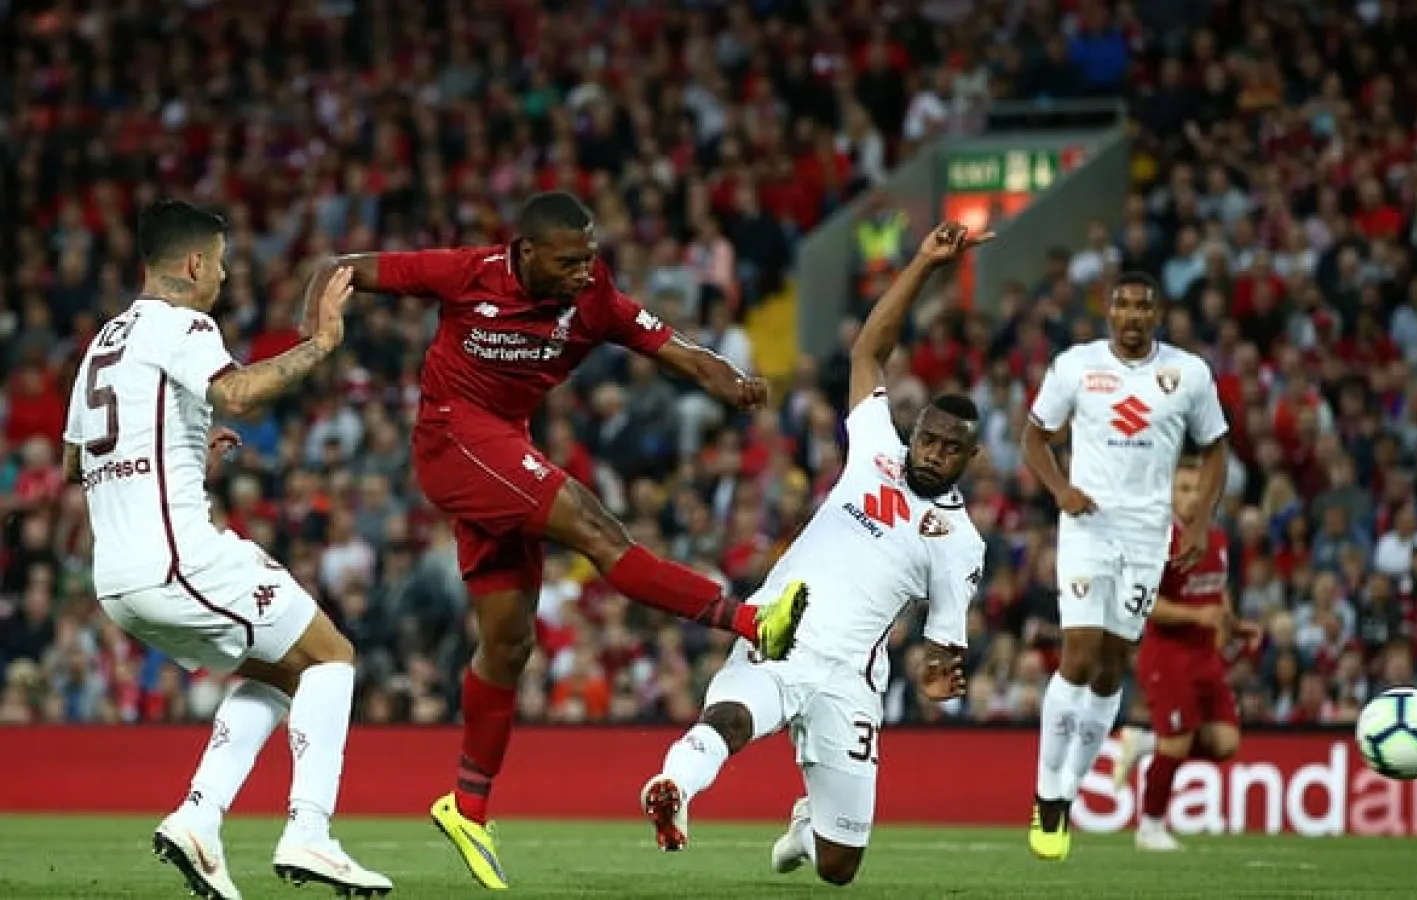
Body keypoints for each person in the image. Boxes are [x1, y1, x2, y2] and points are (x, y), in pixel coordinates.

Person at [302, 191, 808, 890]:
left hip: (504, 446)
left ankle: (468, 806)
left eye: (590, 257)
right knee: (599, 530)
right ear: (526, 252)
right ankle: (751, 620)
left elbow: (673, 347)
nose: (584, 272)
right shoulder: (466, 272)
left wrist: (729, 378)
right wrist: (315, 337)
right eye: (569, 261)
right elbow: (345, 267)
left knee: (509, 642)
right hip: (452, 435)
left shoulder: (593, 297)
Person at [637, 222, 989, 886]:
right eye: (929, 439)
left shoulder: (960, 542)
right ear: (912, 433)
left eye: (950, 448)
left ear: (972, 458)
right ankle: (675, 789)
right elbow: (867, 353)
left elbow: (945, 641)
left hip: (851, 680)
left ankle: (806, 825)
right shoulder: (876, 451)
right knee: (731, 718)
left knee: (839, 868)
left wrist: (940, 674)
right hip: (779, 630)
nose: (934, 453)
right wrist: (923, 263)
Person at [62, 199, 391, 900]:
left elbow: (73, 463)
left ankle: (199, 819)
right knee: (331, 656)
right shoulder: (182, 324)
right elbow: (240, 392)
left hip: (117, 580)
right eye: (221, 260)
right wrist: (323, 342)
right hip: (179, 557)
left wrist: (178, 438)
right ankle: (311, 830)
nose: (226, 272)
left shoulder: (103, 344)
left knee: (277, 671)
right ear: (193, 263)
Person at [1021, 270, 1230, 861]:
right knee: (1080, 654)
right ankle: (1046, 793)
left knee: (1112, 672)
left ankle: (1070, 788)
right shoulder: (1075, 367)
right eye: (1124, 305)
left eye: (1144, 306)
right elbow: (1034, 437)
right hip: (1087, 527)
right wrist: (1060, 488)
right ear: (1109, 311)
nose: (1133, 315)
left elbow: (1216, 447)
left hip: (1146, 538)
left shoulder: (1188, 374)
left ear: (1156, 314)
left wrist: (1199, 520)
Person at [1112, 456, 1262, 850]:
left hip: (1205, 658)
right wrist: (1200, 615)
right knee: (1177, 742)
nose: (1192, 497)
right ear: (1169, 495)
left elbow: (1217, 592)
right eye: (1183, 489)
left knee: (1225, 742)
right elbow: (1146, 606)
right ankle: (1151, 827)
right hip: (1168, 654)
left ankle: (1145, 744)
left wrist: (1234, 624)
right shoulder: (1160, 541)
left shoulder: (1217, 539)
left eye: (1198, 489)